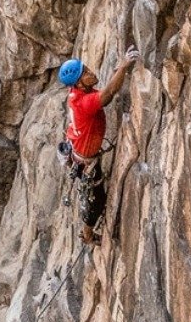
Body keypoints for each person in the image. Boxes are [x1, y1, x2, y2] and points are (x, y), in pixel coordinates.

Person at [58, 45, 139, 245]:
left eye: (86, 68)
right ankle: (87, 234)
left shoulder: (77, 94)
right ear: (79, 83)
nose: (91, 72)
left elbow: (106, 93)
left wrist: (118, 71)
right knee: (96, 200)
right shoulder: (84, 103)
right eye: (85, 73)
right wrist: (125, 66)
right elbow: (110, 91)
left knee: (94, 195)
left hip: (78, 150)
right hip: (86, 161)